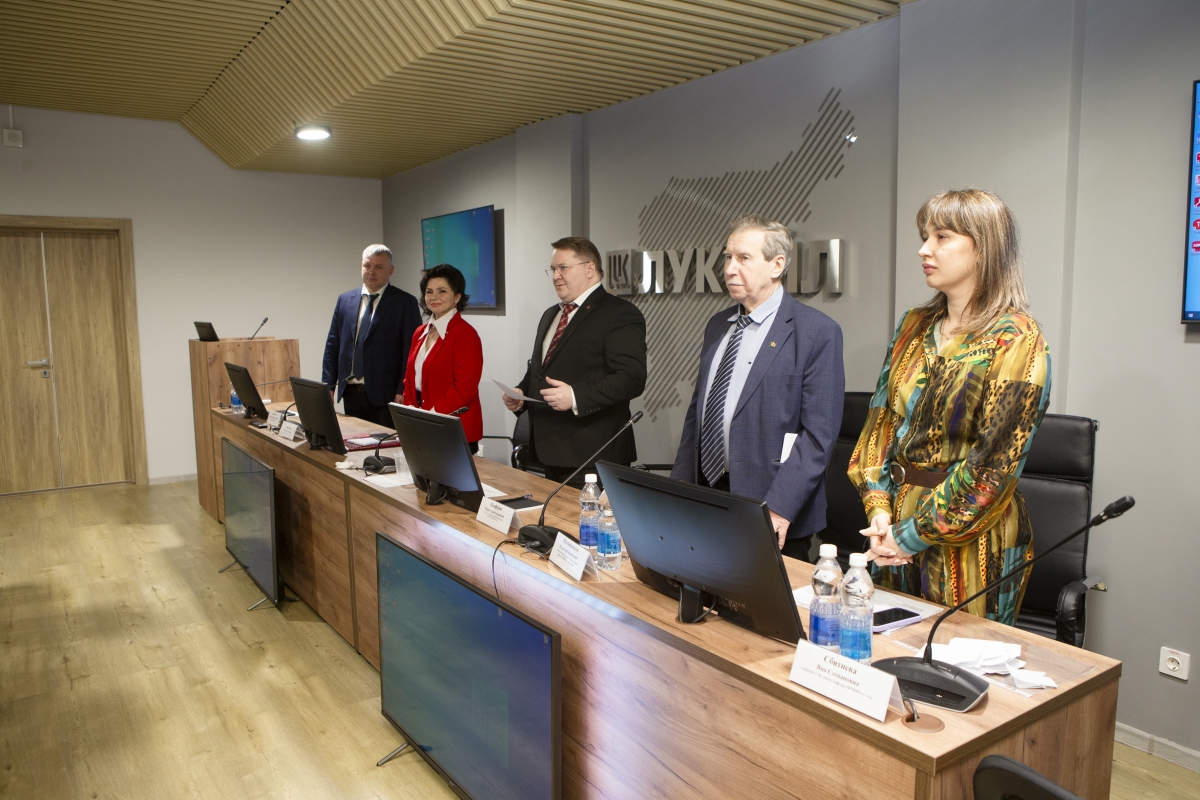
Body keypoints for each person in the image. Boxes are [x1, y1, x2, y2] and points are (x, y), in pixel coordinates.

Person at [847, 189, 1051, 625]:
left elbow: (993, 466)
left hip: (972, 538)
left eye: (942, 237)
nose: (925, 249)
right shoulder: (914, 324)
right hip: (893, 526)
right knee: (887, 646)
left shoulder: (1016, 337)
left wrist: (910, 535)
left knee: (958, 656)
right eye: (925, 236)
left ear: (984, 248)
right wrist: (879, 510)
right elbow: (881, 423)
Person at [671, 215, 844, 552]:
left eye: (743, 258)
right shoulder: (718, 325)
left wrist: (779, 507)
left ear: (777, 265)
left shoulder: (816, 332)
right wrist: (678, 489)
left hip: (771, 508)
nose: (730, 269)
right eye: (728, 257)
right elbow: (698, 415)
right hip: (707, 498)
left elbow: (818, 436)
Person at [501, 237, 647, 487]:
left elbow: (631, 378)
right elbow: (540, 369)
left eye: (563, 268)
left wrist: (575, 396)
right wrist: (521, 393)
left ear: (589, 268)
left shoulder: (620, 313)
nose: (556, 276)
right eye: (553, 269)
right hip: (548, 451)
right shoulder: (551, 314)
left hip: (593, 456)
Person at [322, 244, 422, 428]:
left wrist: (403, 389)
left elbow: (410, 351)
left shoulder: (405, 302)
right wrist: (328, 385)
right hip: (351, 392)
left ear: (390, 270)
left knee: (385, 444)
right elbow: (333, 346)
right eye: (367, 266)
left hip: (386, 395)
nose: (371, 271)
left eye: (378, 267)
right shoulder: (345, 300)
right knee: (354, 441)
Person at [401, 264, 484, 451]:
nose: (434, 297)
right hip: (421, 427)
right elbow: (409, 380)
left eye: (442, 291)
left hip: (452, 430)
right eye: (429, 291)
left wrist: (431, 417)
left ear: (457, 297)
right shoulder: (420, 332)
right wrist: (411, 414)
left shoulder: (466, 335)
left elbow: (464, 388)